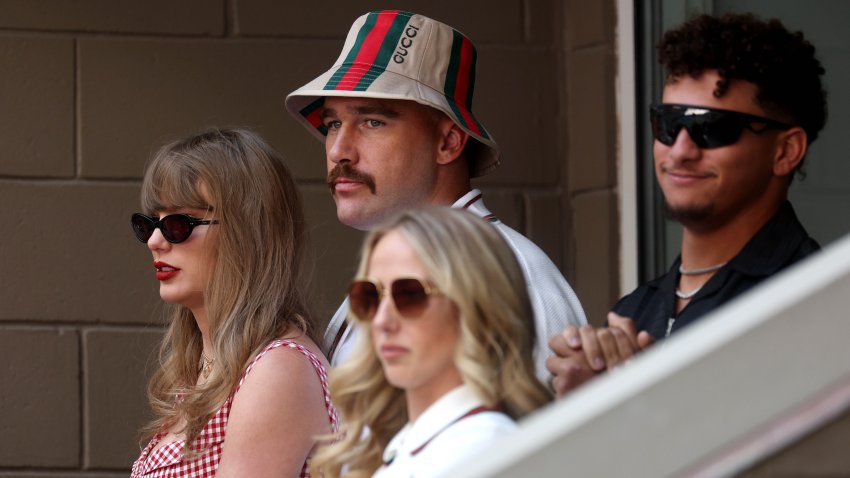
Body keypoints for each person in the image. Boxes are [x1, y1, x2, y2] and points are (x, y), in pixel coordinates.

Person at [285, 9, 586, 382]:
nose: (338, 151)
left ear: (448, 141)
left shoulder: (507, 275)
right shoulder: (387, 272)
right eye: (333, 124)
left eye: (372, 121)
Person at [546, 13, 826, 396]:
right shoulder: (634, 310)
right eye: (667, 123)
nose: (679, 151)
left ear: (785, 151)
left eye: (711, 127)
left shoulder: (816, 305)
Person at [129, 128, 338, 477]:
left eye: (178, 225)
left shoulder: (277, 369)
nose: (154, 240)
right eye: (149, 223)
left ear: (247, 233)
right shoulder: (210, 365)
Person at [310, 207, 552, 478]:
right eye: (370, 296)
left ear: (476, 305)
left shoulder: (479, 446)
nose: (382, 321)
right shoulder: (414, 441)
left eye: (410, 294)